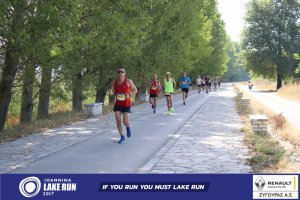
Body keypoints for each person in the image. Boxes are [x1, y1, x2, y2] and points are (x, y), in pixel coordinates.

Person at [109, 67, 138, 144]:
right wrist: (111, 92)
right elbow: (112, 89)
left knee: (125, 122)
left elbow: (135, 90)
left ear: (125, 73)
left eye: (122, 72)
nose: (120, 73)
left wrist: (130, 94)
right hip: (118, 104)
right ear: (117, 73)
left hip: (126, 104)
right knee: (118, 121)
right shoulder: (115, 82)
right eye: (119, 72)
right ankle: (122, 137)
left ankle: (128, 127)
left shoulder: (128, 82)